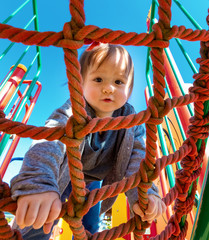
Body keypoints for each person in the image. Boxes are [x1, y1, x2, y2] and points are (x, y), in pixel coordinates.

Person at [10, 44, 166, 240]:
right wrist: (39, 181)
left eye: (119, 82)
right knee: (43, 214)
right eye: (98, 79)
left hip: (92, 181)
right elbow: (50, 138)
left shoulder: (133, 122)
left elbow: (138, 161)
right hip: (63, 171)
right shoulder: (74, 111)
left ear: (130, 88)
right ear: (80, 85)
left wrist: (145, 193)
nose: (109, 88)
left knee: (90, 225)